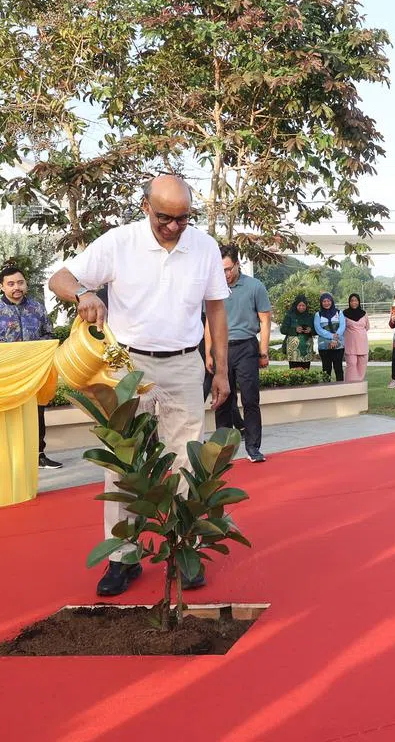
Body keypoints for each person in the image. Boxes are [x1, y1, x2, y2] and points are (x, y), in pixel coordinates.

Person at [49, 174, 230, 597]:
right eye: (165, 217)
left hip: (185, 364)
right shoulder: (119, 242)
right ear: (145, 206)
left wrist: (220, 369)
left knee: (186, 458)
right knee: (124, 465)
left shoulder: (203, 246)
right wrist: (82, 295)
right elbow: (59, 277)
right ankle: (122, 557)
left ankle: (184, 550)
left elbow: (216, 311)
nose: (173, 226)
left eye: (183, 218)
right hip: (126, 365)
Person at [0, 263, 62, 470]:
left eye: (20, 282)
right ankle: (6, 459)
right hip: (6, 373)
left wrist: (37, 348)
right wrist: (10, 349)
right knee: (8, 414)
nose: (17, 287)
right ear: (2, 287)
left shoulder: (37, 308)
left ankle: (38, 455)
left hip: (34, 371)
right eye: (11, 283)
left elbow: (49, 335)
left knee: (37, 412)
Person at [204, 245, 271, 463]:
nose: (225, 274)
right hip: (221, 349)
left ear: (237, 264)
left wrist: (263, 351)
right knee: (222, 400)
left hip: (247, 348)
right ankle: (223, 450)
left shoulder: (255, 286)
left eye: (227, 269)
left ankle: (253, 447)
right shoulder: (213, 288)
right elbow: (209, 324)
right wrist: (209, 353)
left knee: (251, 399)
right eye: (220, 270)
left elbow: (265, 320)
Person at [314, 292, 346, 382]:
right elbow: (318, 329)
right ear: (321, 302)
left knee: (338, 368)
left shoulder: (339, 313)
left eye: (328, 301)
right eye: (324, 301)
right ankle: (326, 390)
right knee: (326, 369)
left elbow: (342, 326)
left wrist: (335, 339)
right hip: (324, 346)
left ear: (331, 301)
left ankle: (340, 389)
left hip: (338, 345)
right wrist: (332, 336)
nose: (326, 303)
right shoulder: (318, 315)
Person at [280, 296, 316, 369]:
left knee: (306, 373)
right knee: (294, 373)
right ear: (296, 305)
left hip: (306, 350)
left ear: (306, 306)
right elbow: (283, 329)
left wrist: (310, 330)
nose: (301, 307)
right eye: (299, 305)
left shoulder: (310, 316)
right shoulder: (289, 315)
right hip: (293, 351)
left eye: (303, 305)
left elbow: (316, 331)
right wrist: (294, 330)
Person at [343, 293, 370, 382]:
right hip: (350, 344)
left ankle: (359, 386)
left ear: (359, 302)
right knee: (351, 364)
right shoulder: (344, 314)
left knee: (362, 364)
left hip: (362, 344)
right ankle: (349, 386)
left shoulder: (364, 313)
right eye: (352, 301)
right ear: (349, 302)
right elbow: (342, 328)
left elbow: (367, 327)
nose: (354, 302)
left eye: (356, 300)